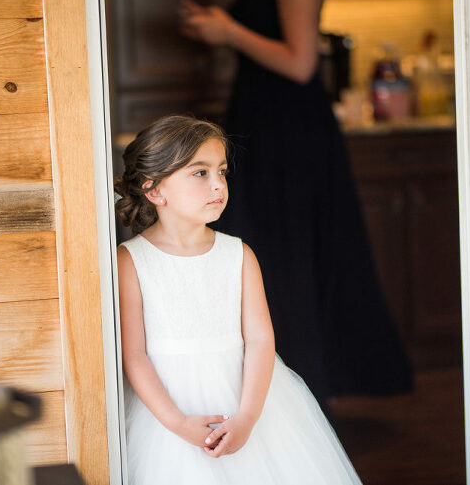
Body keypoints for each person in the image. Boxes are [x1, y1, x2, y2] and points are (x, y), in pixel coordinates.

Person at [179, 0, 412, 402]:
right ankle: (274, 385)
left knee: (285, 256)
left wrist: (230, 32)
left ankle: (297, 390)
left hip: (288, 136)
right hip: (266, 126)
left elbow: (301, 63)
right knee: (270, 254)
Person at [114, 115, 362, 484]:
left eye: (222, 171)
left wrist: (247, 418)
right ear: (154, 191)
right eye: (200, 173)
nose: (218, 184)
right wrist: (178, 423)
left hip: (244, 403)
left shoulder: (238, 255)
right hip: (167, 414)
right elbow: (134, 354)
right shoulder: (131, 261)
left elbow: (260, 339)